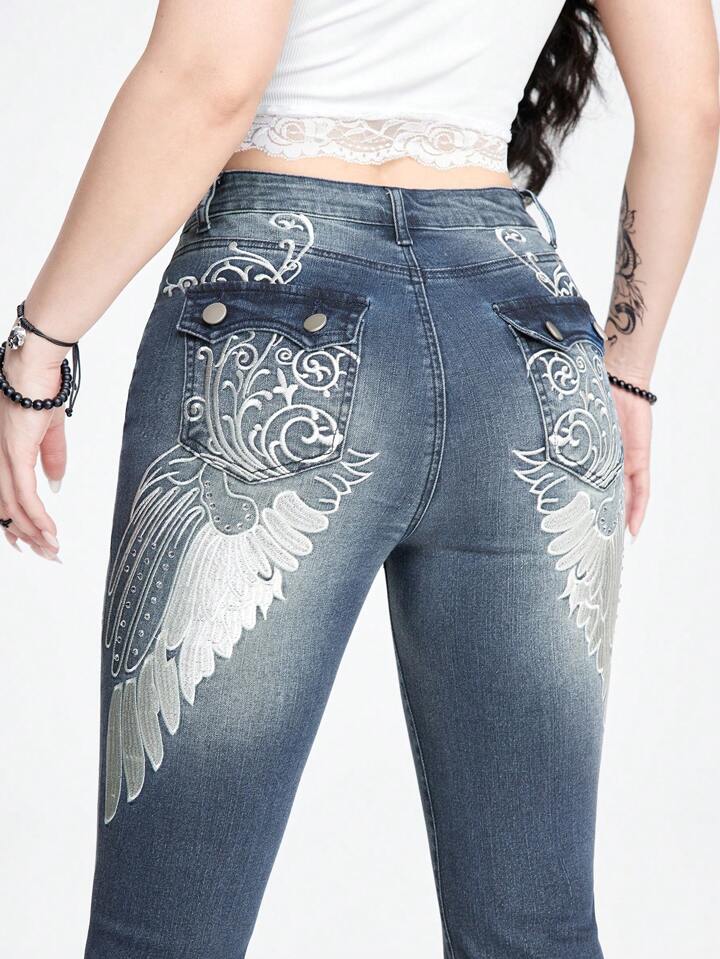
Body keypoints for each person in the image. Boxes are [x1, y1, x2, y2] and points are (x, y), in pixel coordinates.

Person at [1, 1, 717, 956]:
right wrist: (626, 371)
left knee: (165, 937)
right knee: (535, 933)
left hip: (272, 313)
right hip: (527, 342)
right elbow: (691, 107)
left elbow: (211, 80)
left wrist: (38, 346)